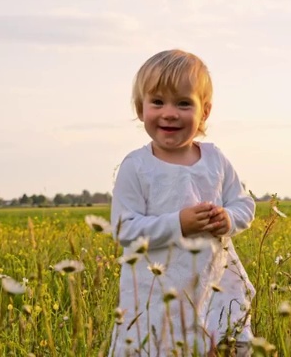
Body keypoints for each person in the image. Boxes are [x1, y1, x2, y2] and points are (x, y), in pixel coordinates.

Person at [109, 49, 256, 356]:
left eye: (184, 103)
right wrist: (180, 223)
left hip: (212, 283)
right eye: (158, 102)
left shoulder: (215, 159)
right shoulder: (136, 166)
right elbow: (125, 229)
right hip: (155, 291)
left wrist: (228, 218)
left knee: (216, 343)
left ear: (205, 112)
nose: (170, 113)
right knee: (159, 346)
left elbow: (244, 204)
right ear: (140, 108)